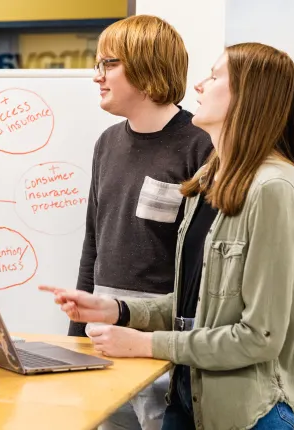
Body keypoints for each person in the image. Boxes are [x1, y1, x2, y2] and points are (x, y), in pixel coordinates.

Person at [42, 42, 294, 430]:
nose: (199, 86)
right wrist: (119, 310)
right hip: (189, 397)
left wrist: (145, 345)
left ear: (250, 97)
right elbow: (195, 307)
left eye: (215, 76)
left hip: (248, 413)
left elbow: (259, 337)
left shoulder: (274, 188)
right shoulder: (207, 180)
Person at [71, 14, 212, 430]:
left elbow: (203, 262)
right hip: (101, 330)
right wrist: (76, 335)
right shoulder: (107, 143)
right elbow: (92, 243)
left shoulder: (201, 144)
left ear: (148, 70)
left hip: (161, 339)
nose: (98, 76)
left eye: (108, 64)